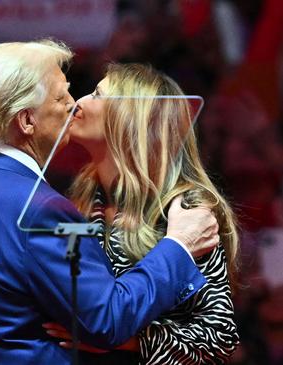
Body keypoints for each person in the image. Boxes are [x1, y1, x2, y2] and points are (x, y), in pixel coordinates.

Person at [0, 39, 220, 364]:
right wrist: (180, 245)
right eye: (61, 97)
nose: (74, 104)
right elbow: (106, 321)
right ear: (26, 121)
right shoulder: (42, 208)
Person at [46, 63, 240, 364]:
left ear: (131, 121)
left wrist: (127, 341)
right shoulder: (83, 199)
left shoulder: (187, 208)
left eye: (97, 94)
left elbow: (218, 337)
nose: (78, 102)